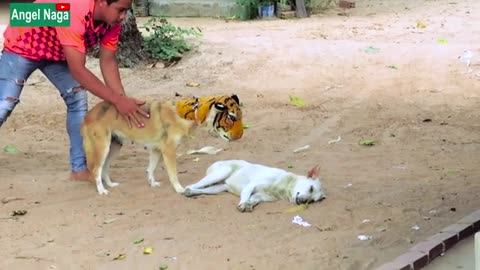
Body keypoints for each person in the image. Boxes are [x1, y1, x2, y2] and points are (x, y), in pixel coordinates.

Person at [0, 0, 149, 180]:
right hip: (22, 41)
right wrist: (118, 101)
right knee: (4, 105)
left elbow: (108, 61)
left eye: (126, 11)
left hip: (54, 47)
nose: (123, 16)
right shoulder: (74, 10)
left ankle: (79, 170)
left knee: (77, 97)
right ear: (102, 2)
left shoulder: (113, 22)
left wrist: (121, 100)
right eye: (120, 10)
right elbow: (78, 70)